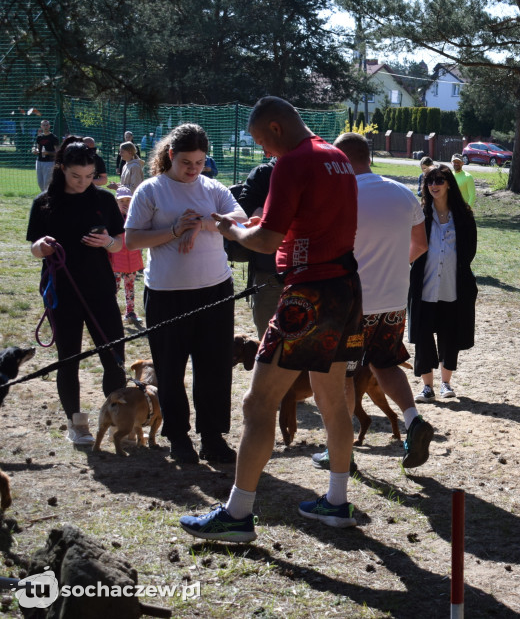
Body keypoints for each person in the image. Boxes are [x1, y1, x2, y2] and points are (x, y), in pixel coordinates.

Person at [180, 96, 363, 542]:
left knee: (257, 403)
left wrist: (229, 229)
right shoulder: (337, 157)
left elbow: (264, 241)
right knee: (332, 399)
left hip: (308, 295)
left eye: (262, 141)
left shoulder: (293, 161)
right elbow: (310, 220)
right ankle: (337, 501)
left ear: (277, 127)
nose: (263, 151)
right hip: (345, 288)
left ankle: (237, 514)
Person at [124, 123, 246, 465]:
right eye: (186, 163)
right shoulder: (151, 190)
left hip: (215, 291)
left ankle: (212, 437)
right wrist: (176, 229)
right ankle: (178, 436)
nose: (193, 169)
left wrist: (203, 223)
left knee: (214, 367)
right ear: (170, 155)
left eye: (200, 162)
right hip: (167, 294)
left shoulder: (213, 188)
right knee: (170, 369)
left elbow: (239, 219)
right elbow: (132, 239)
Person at [310, 132, 433, 470]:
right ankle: (413, 420)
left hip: (352, 303)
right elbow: (421, 244)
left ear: (341, 159)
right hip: (393, 299)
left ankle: (341, 449)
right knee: (386, 362)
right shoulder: (402, 193)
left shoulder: (340, 195)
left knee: (343, 373)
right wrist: (393, 267)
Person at [26, 138, 127, 445]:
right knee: (68, 359)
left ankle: (117, 419)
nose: (83, 182)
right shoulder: (44, 203)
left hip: (100, 290)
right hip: (62, 293)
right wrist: (41, 247)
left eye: (89, 176)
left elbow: (120, 243)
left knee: (114, 357)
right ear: (61, 169)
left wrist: (108, 242)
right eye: (75, 176)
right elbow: (33, 248)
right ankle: (76, 423)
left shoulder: (104, 200)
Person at [409, 165, 477, 401]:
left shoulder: (464, 216)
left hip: (452, 287)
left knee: (450, 336)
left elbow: (469, 251)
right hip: (424, 287)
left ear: (449, 184)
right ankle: (427, 387)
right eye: (429, 181)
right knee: (423, 336)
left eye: (439, 180)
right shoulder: (420, 214)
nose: (433, 185)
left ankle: (446, 384)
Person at [235, 158, 282, 338]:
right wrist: (274, 221)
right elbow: (246, 204)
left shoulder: (313, 169)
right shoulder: (264, 173)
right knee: (268, 334)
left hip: (306, 272)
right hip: (269, 271)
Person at [110, 186, 145, 327]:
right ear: (116, 202)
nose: (125, 203)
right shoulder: (113, 218)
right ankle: (111, 313)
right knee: (114, 288)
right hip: (117, 261)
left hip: (132, 259)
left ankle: (130, 313)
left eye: (128, 200)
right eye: (121, 201)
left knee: (130, 287)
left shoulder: (135, 216)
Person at [34, 120, 59, 191]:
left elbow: (57, 152)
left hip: (49, 162)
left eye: (47, 125)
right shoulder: (39, 137)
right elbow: (38, 148)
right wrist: (35, 151)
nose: (45, 127)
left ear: (49, 126)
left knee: (47, 183)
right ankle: (45, 195)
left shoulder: (53, 137)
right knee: (40, 183)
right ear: (41, 126)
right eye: (44, 125)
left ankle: (47, 196)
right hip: (39, 162)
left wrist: (48, 153)